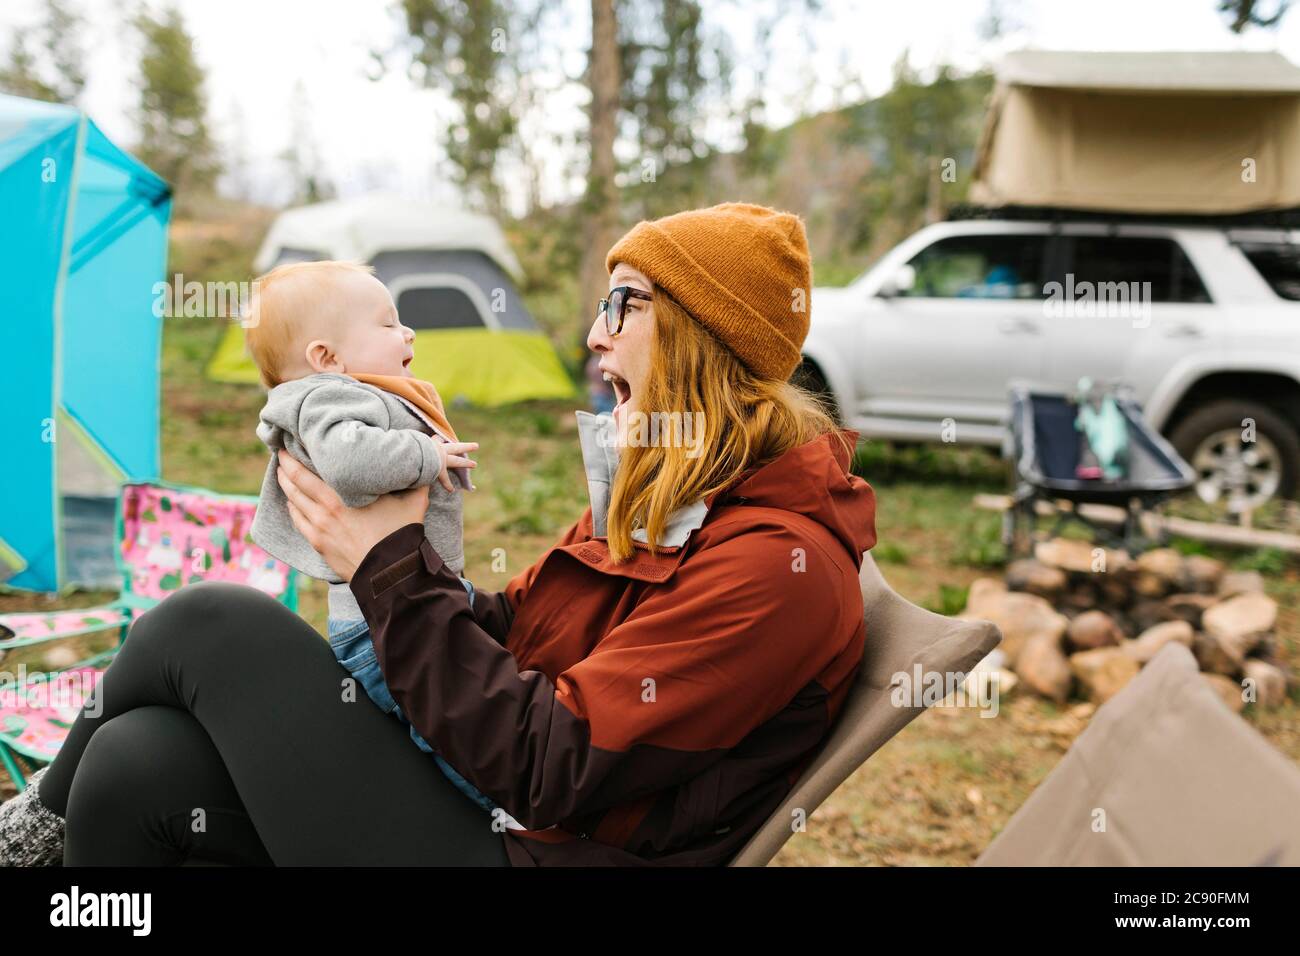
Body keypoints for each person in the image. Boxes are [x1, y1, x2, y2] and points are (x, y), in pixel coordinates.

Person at [0, 202, 877, 866]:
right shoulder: (669, 505)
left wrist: (386, 565)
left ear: (699, 335)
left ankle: (22, 833)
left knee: (211, 624)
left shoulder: (777, 569)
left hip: (525, 844)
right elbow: (510, 631)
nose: (593, 333)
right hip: (484, 804)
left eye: (624, 304)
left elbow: (549, 766)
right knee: (132, 763)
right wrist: (392, 562)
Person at [243, 259, 504, 821]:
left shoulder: (356, 392)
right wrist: (426, 455)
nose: (407, 333)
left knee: (447, 710)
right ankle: (489, 808)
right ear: (326, 357)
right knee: (442, 725)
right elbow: (350, 463)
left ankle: (453, 804)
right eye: (388, 325)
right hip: (377, 623)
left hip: (405, 603)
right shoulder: (328, 398)